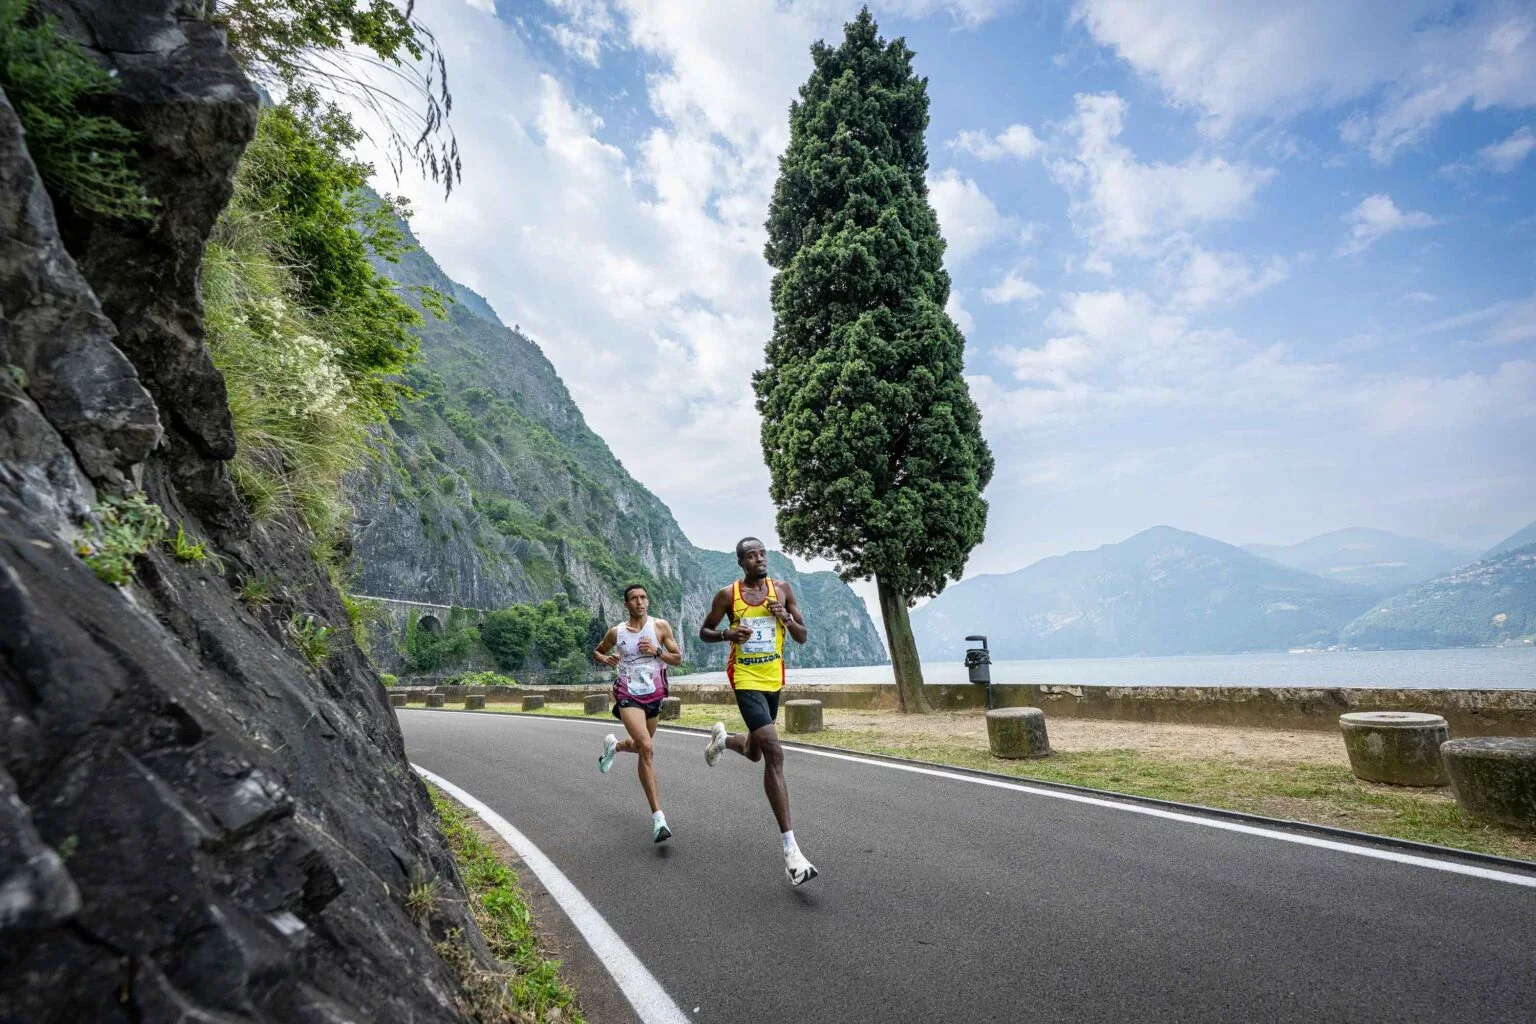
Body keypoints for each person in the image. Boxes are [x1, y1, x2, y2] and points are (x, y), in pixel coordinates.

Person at [698, 537, 818, 885]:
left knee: (753, 751)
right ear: (741, 562)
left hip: (773, 679)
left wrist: (786, 619)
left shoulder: (781, 590)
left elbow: (803, 636)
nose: (759, 559)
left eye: (762, 554)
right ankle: (791, 852)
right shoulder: (727, 596)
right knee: (774, 753)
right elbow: (704, 632)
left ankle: (723, 741)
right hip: (746, 678)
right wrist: (728, 635)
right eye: (752, 556)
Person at [592, 583, 684, 843]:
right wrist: (605, 659)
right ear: (626, 604)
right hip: (627, 694)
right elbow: (598, 650)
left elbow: (677, 658)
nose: (639, 602)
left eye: (643, 597)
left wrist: (657, 651)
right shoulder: (617, 633)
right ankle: (658, 819)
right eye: (633, 598)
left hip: (654, 694)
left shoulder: (660, 627)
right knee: (646, 746)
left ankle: (615, 747)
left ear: (648, 601)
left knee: (641, 746)